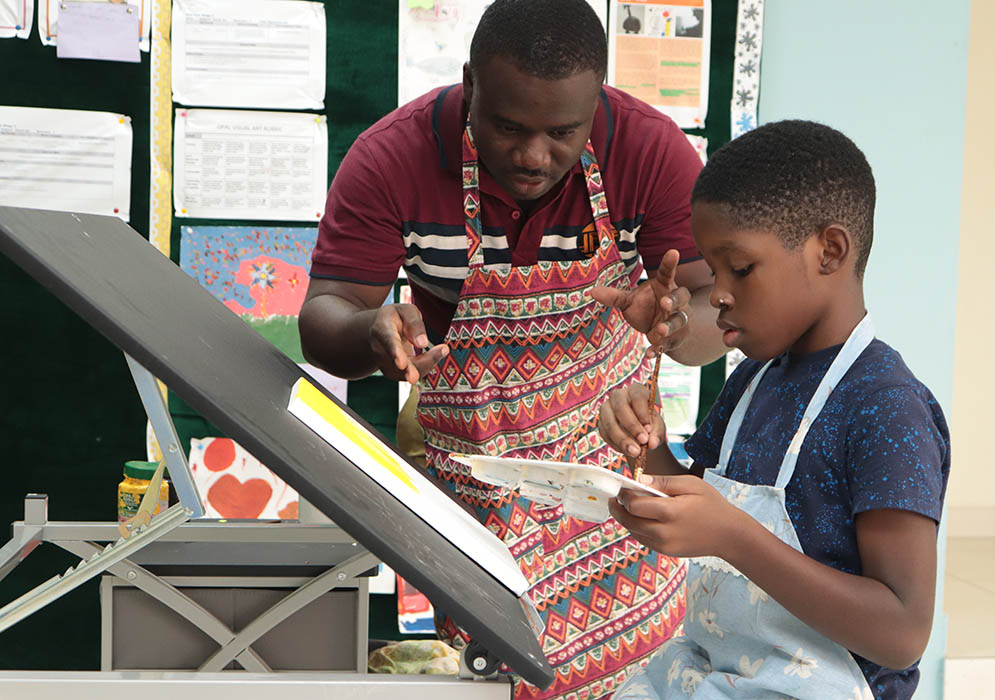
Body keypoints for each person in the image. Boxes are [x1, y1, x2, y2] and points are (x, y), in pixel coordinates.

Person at [299, 1, 727, 696]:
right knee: (495, 672)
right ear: (469, 83)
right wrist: (368, 331)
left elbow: (713, 311)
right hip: (474, 484)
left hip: (607, 479)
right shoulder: (394, 155)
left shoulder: (647, 151)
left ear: (598, 101)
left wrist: (672, 323)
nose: (533, 156)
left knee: (640, 673)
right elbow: (325, 316)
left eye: (562, 132)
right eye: (506, 126)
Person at [598, 120, 950, 699]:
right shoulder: (754, 379)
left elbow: (903, 631)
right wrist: (651, 446)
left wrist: (733, 537)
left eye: (740, 268)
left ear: (829, 251)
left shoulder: (888, 409)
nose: (720, 294)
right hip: (718, 675)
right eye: (713, 271)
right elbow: (702, 502)